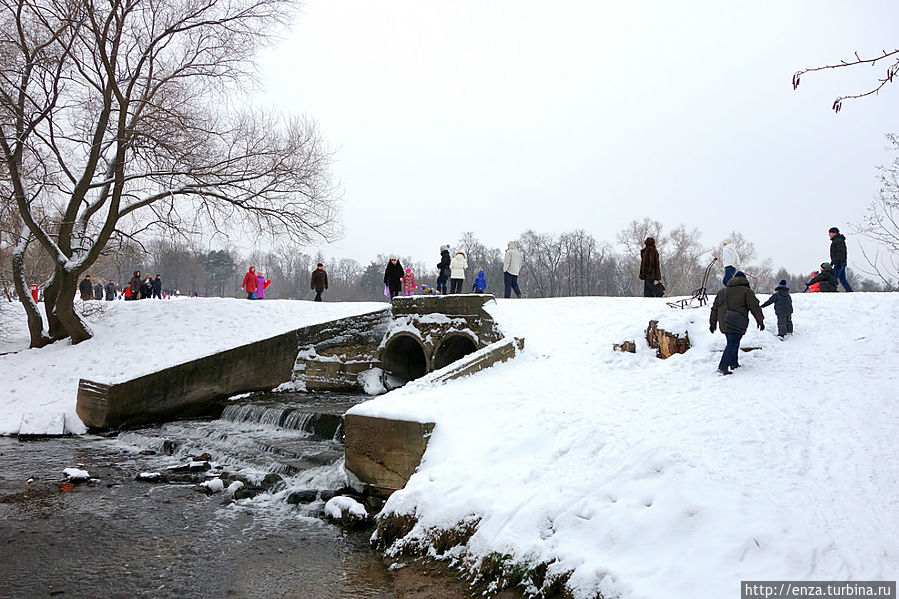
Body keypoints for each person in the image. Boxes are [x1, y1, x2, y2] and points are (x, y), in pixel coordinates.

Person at [709, 271, 764, 375]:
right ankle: (723, 367)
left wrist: (712, 323)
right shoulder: (747, 291)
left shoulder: (722, 292)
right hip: (737, 321)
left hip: (724, 322)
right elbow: (754, 307)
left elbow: (714, 308)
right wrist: (760, 320)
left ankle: (734, 363)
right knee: (732, 343)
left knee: (733, 342)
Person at [828, 227, 853, 292]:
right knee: (842, 279)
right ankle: (850, 291)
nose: (829, 235)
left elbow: (841, 252)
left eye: (830, 233)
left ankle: (830, 291)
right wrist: (832, 262)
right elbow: (835, 254)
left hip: (839, 263)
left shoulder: (838, 241)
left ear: (834, 233)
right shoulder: (837, 240)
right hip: (840, 262)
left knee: (833, 278)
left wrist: (838, 262)